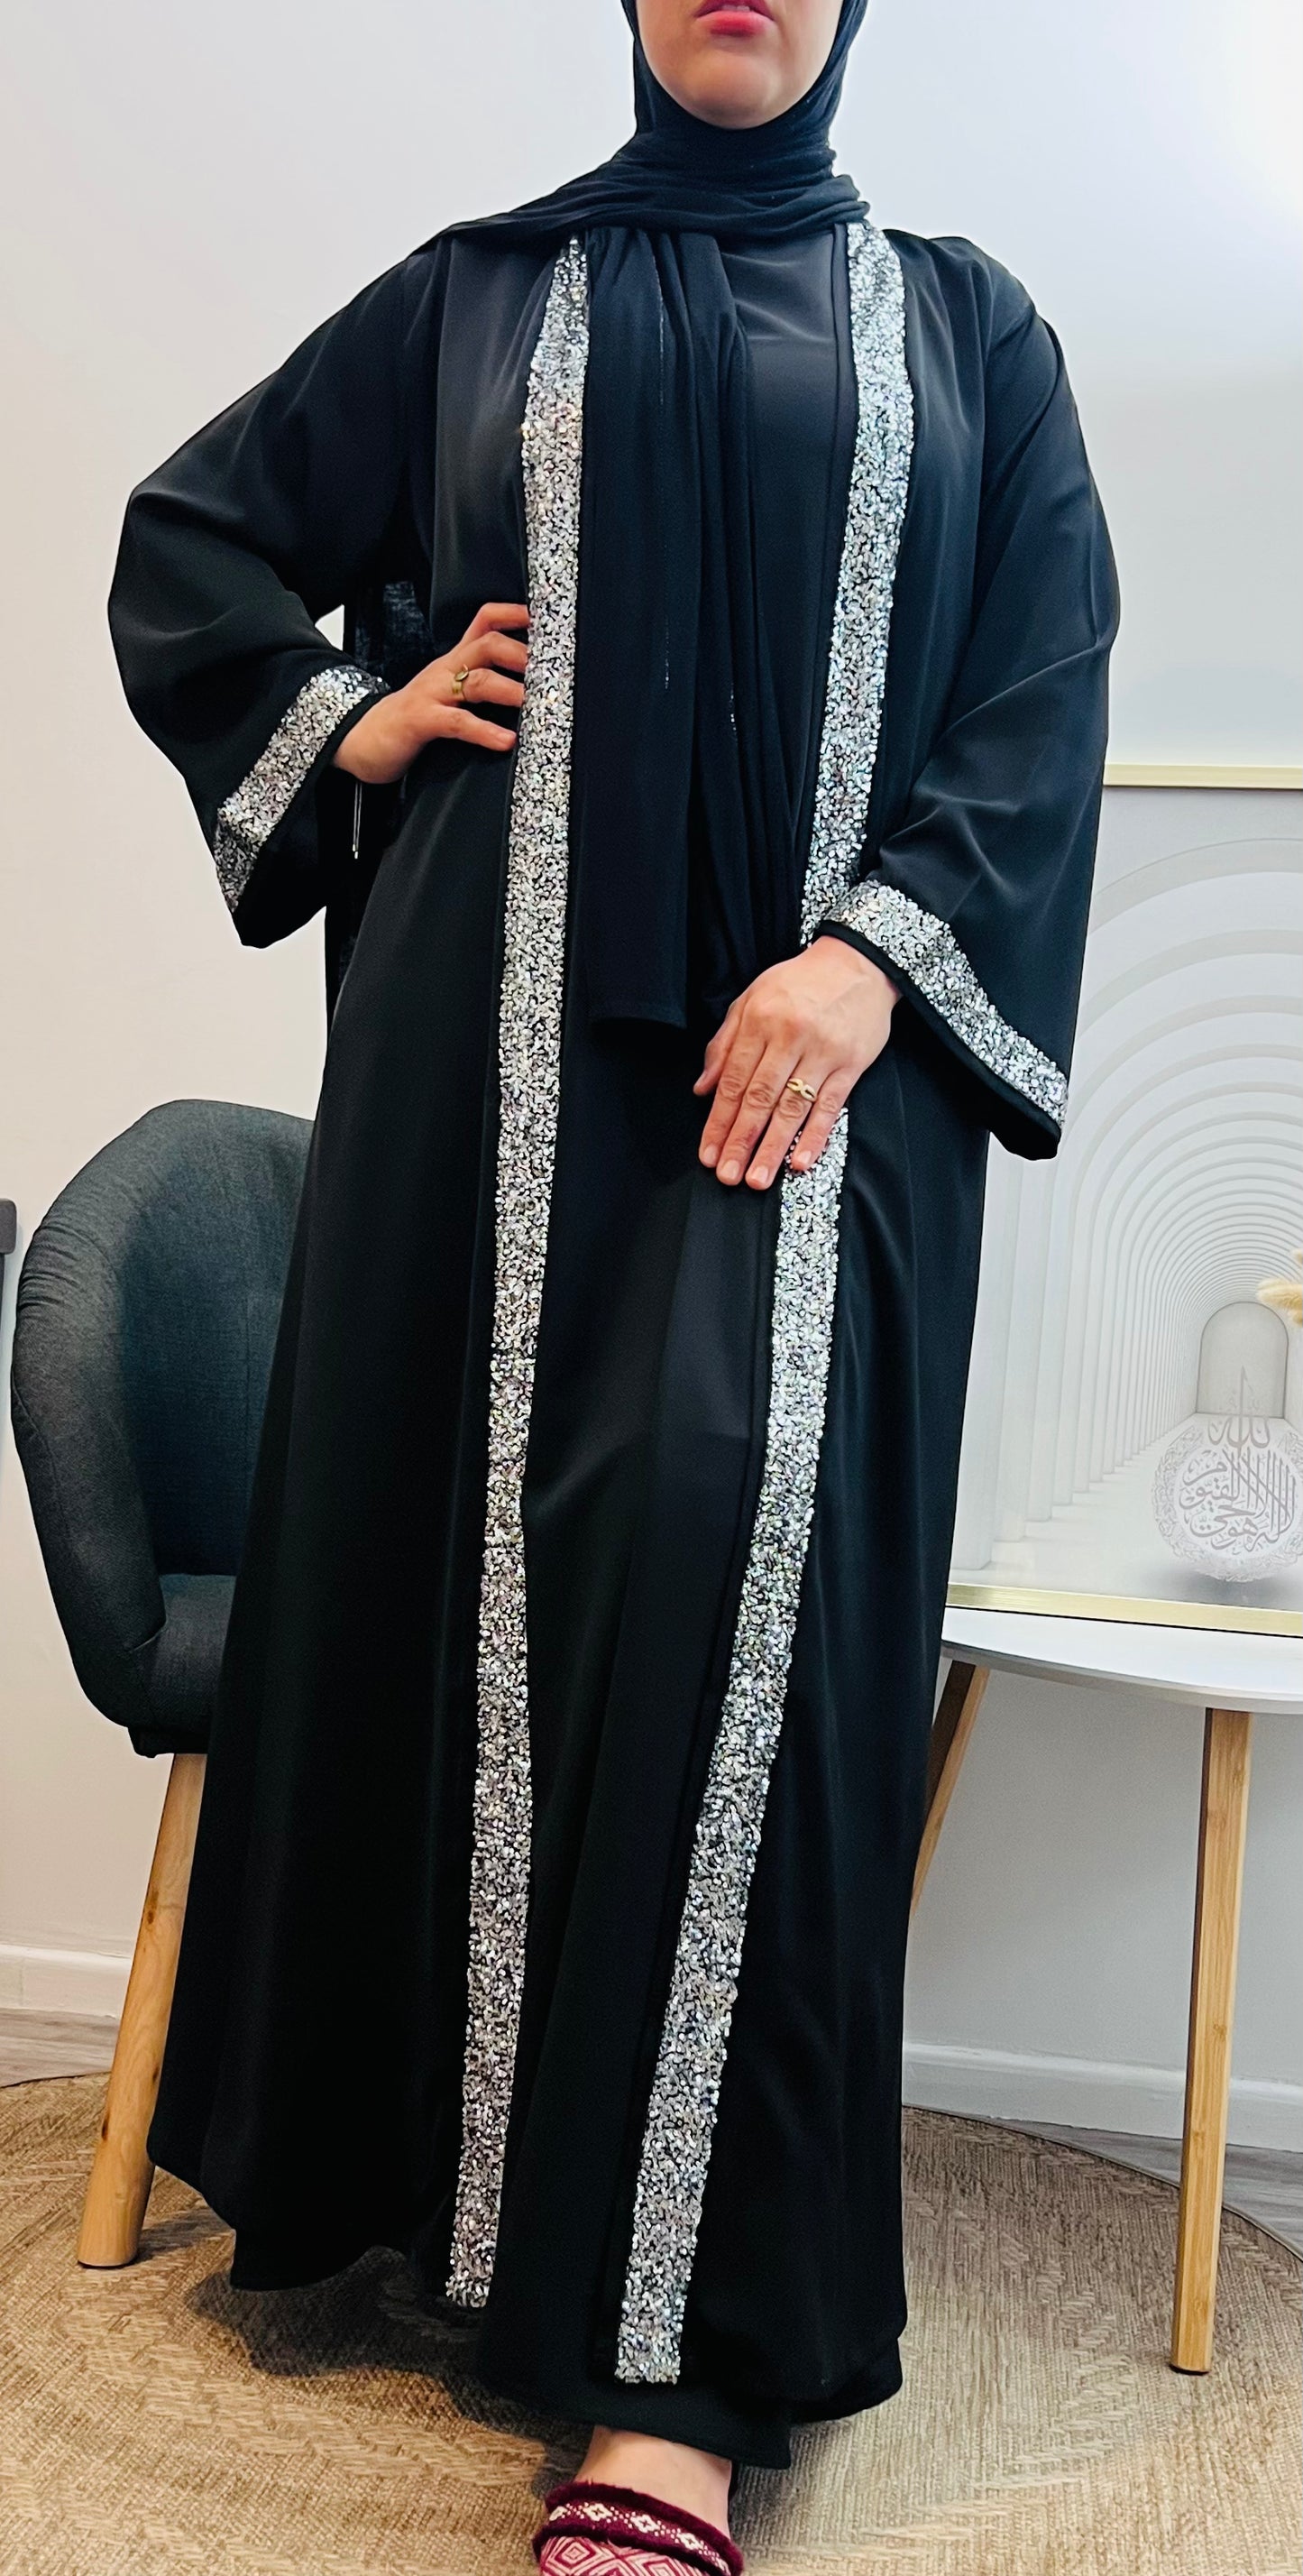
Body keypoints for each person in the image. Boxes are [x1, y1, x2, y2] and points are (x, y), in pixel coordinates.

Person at [108, 0, 1118, 2565]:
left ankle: (679, 2375)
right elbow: (192, 539)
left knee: (723, 1566)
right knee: (481, 1597)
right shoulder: (472, 294)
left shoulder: (969, 328)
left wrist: (874, 960)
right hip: (478, 1091)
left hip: (810, 1093)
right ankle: (472, 2229)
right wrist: (350, 717)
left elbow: (1036, 695)